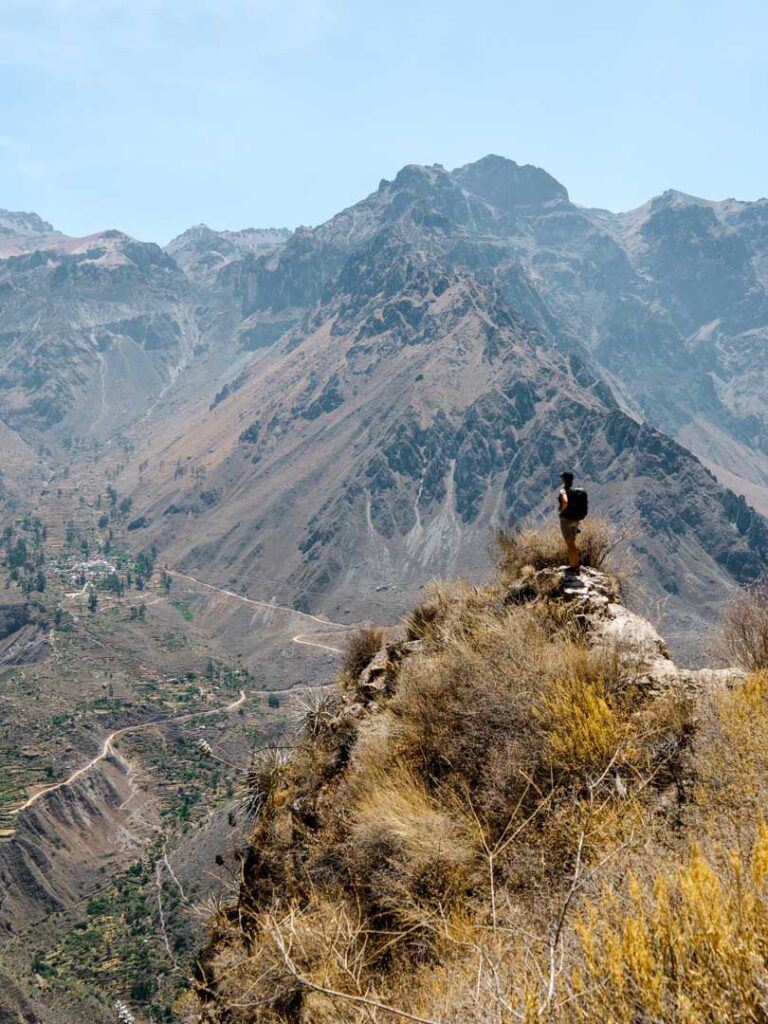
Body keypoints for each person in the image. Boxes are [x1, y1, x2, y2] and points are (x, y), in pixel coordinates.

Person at [558, 471, 588, 569]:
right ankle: (576, 565)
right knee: (573, 544)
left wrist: (561, 509)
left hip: (566, 520)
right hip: (576, 521)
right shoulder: (575, 492)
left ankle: (572, 565)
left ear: (564, 480)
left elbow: (565, 501)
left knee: (569, 544)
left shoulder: (563, 490)